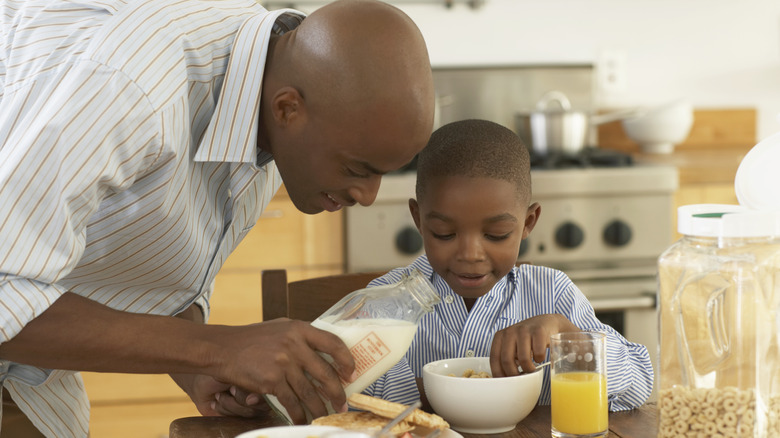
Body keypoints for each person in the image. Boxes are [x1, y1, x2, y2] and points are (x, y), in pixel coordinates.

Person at [0, 0, 435, 434]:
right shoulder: (131, 86)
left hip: (30, 374)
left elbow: (156, 266)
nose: (368, 196)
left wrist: (200, 369)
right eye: (358, 169)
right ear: (288, 110)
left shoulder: (274, 96)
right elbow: (5, 293)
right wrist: (215, 348)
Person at [362, 119, 654, 411]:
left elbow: (638, 386)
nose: (471, 254)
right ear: (418, 219)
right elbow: (353, 406)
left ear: (528, 223)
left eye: (496, 235)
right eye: (444, 234)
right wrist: (438, 390)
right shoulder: (385, 300)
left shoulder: (552, 294)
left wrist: (571, 340)